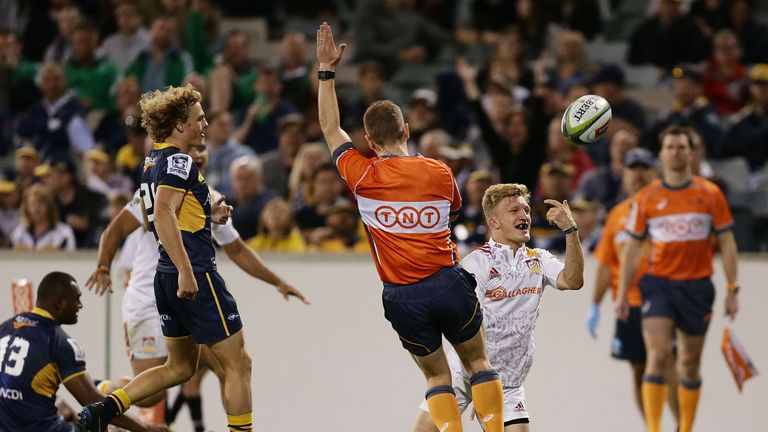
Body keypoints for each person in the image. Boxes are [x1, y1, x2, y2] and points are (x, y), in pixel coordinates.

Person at [317, 22, 504, 431]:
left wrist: (326, 71)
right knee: (478, 363)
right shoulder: (439, 172)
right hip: (447, 282)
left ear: (369, 140)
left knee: (437, 378)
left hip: (403, 297)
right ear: (406, 130)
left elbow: (331, 129)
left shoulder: (362, 176)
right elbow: (451, 215)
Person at [85, 142, 307, 431]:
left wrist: (277, 281)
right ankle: (103, 390)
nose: (199, 152)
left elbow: (237, 250)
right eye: (193, 147)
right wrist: (103, 266)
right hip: (149, 299)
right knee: (154, 396)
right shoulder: (155, 189)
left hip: (184, 292)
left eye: (203, 150)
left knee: (230, 364)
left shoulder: (210, 196)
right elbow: (117, 230)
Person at [78, 84, 248, 432]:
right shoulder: (181, 160)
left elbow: (155, 210)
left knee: (180, 369)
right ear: (180, 125)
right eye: (199, 119)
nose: (204, 125)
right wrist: (187, 270)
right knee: (238, 364)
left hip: (165, 277)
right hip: (195, 274)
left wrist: (206, 213)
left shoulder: (153, 160)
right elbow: (165, 213)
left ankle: (105, 407)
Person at [413, 183, 584, 431]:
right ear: (494, 222)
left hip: (510, 382)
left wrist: (571, 230)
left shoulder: (539, 259)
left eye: (525, 209)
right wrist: (482, 383)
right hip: (465, 372)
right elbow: (470, 320)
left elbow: (573, 280)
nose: (524, 215)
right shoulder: (476, 263)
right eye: (513, 210)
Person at [616, 126, 740, 432]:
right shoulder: (647, 198)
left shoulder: (709, 194)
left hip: (697, 286)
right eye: (669, 147)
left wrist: (732, 287)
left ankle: (685, 428)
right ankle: (654, 428)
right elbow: (632, 247)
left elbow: (726, 242)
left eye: (681, 147)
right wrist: (621, 294)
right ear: (662, 154)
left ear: (691, 152)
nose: (675, 152)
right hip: (659, 284)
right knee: (657, 355)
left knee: (688, 363)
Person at [0, 271, 168, 432]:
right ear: (59, 302)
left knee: (64, 409)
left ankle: (101, 387)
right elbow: (94, 403)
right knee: (111, 428)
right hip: (37, 428)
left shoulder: (6, 326)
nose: (80, 305)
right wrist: (145, 428)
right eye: (77, 299)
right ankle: (103, 387)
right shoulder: (61, 343)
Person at [588, 147, 679, 422]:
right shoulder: (617, 215)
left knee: (667, 362)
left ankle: (682, 425)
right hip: (630, 301)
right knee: (639, 368)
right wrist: (595, 304)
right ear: (623, 174)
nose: (638, 174)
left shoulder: (669, 208)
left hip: (663, 298)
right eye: (632, 168)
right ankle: (653, 426)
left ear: (655, 172)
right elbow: (606, 263)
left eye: (644, 168)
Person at [10, 183, 76, 251]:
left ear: (49, 206)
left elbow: (71, 258)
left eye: (41, 203)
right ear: (27, 208)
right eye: (32, 203)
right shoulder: (19, 232)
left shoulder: (64, 233)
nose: (36, 208)